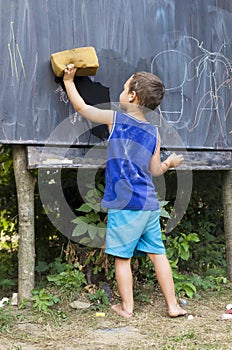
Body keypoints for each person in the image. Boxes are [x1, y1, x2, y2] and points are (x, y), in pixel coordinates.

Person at [63, 65, 187, 319]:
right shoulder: (154, 132)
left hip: (125, 204)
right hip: (149, 205)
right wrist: (170, 163)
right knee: (158, 254)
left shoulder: (116, 119)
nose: (119, 91)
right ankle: (173, 306)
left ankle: (127, 308)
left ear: (131, 96)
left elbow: (82, 109)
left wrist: (68, 81)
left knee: (122, 259)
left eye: (123, 87)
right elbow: (155, 170)